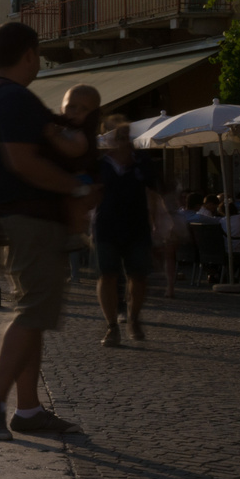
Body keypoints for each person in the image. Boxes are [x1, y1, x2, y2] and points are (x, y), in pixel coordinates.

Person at [0, 21, 91, 441]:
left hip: (20, 217)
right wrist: (75, 187)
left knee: (35, 313)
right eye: (38, 55)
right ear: (28, 54)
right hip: (31, 219)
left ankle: (29, 409)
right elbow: (22, 161)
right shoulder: (13, 98)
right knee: (31, 312)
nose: (39, 63)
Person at [93, 115, 152, 346]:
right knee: (107, 275)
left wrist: (162, 220)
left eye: (125, 136)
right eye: (116, 136)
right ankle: (111, 326)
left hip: (137, 226)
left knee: (138, 276)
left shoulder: (142, 161)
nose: (122, 140)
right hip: (106, 226)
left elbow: (154, 189)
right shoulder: (100, 164)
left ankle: (134, 318)